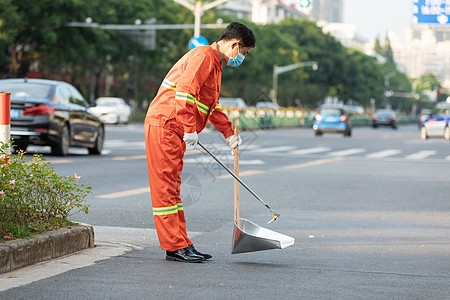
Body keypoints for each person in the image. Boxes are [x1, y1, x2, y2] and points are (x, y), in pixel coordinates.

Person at [144, 22, 256, 263]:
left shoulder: (215, 65)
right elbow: (184, 93)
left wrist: (228, 132)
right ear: (234, 45)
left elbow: (209, 106)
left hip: (174, 127)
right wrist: (188, 127)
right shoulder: (204, 56)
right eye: (244, 53)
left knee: (172, 188)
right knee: (165, 189)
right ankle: (174, 247)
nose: (242, 58)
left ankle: (182, 243)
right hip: (166, 123)